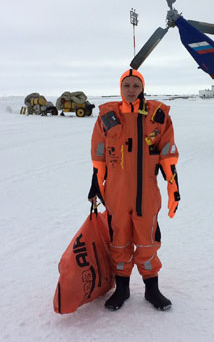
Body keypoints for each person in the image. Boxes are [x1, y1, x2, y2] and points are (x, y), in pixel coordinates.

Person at [88, 69, 181, 311]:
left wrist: (173, 187)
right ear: (120, 88)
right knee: (119, 241)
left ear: (142, 88)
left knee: (148, 241)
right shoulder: (107, 117)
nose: (131, 90)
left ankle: (152, 289)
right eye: (126, 85)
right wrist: (96, 183)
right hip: (116, 194)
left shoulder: (157, 116)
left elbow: (168, 154)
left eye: (135, 86)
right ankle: (122, 289)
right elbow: (99, 155)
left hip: (146, 193)